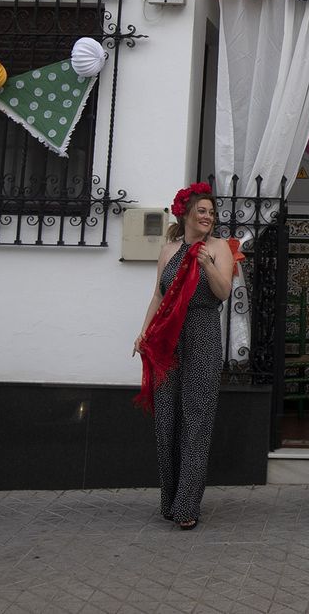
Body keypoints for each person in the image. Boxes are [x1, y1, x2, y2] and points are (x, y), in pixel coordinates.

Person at [132, 182, 242, 530]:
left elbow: (223, 291)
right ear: (187, 213)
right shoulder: (168, 250)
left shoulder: (219, 248)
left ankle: (187, 506)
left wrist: (208, 264)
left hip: (203, 335)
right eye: (203, 211)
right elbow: (157, 296)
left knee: (196, 421)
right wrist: (144, 332)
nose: (209, 216)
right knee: (166, 421)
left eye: (212, 212)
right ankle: (170, 499)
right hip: (168, 339)